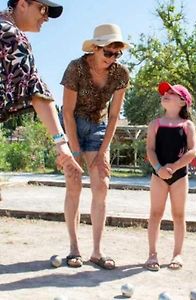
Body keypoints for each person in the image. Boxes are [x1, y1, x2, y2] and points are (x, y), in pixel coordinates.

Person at [60, 24, 131, 269]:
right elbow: (67, 113)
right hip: (73, 126)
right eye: (107, 53)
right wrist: (75, 153)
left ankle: (97, 252)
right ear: (96, 48)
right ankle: (73, 249)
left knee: (102, 184)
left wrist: (102, 153)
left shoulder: (121, 74)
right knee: (74, 183)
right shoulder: (76, 68)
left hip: (100, 127)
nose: (112, 59)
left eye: (116, 54)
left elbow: (113, 116)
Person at [0, 1, 83, 181]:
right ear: (22, 4)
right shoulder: (11, 36)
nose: (46, 17)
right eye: (42, 9)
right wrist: (61, 143)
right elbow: (37, 92)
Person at [145, 82, 196, 271]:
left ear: (182, 101)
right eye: (164, 93)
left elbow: (192, 151)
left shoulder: (187, 125)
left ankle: (177, 254)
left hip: (180, 176)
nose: (165, 94)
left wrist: (174, 167)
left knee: (178, 215)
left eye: (171, 93)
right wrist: (158, 167)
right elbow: (150, 149)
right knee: (155, 214)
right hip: (158, 175)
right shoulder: (155, 124)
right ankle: (152, 254)